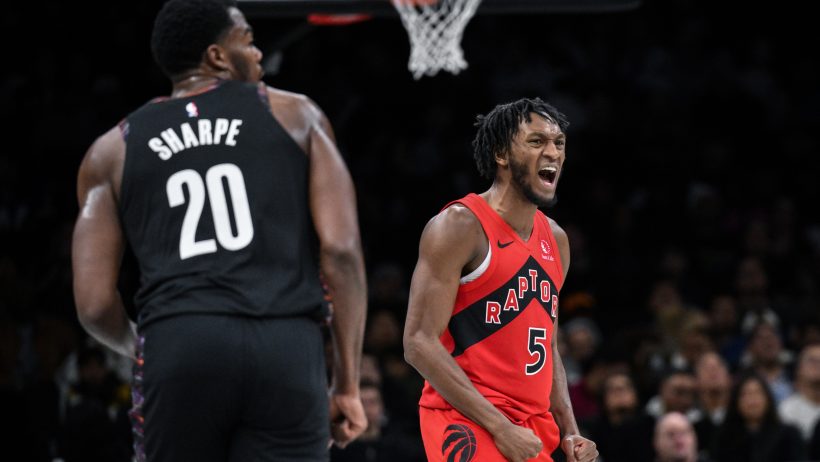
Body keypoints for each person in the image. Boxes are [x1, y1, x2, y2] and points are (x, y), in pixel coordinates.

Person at [70, 1, 368, 461]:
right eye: (247, 40)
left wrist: (142, 347)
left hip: (179, 341)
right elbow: (342, 250)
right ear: (217, 57)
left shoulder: (111, 150)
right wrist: (345, 383)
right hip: (285, 343)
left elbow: (92, 304)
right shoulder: (296, 115)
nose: (258, 53)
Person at [403, 98, 598, 462]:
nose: (553, 152)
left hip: (532, 427)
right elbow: (418, 342)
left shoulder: (556, 240)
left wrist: (570, 430)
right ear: (501, 153)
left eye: (559, 143)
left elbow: (549, 345)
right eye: (537, 142)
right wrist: (499, 426)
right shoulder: (460, 226)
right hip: (468, 419)